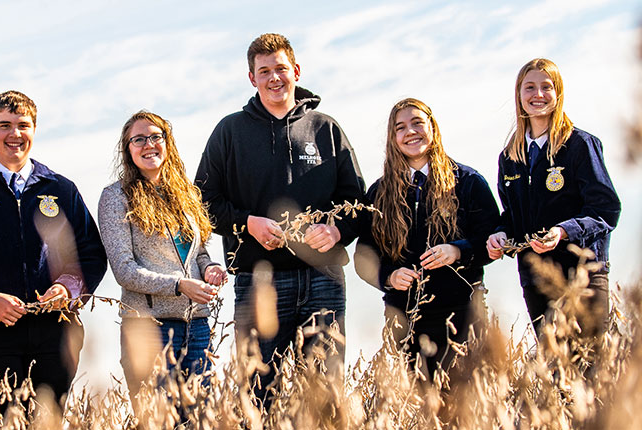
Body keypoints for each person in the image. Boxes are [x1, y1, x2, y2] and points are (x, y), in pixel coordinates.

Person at [195, 33, 366, 398]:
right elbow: (203, 201)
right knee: (258, 394)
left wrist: (336, 232)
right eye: (264, 71)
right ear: (252, 78)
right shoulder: (230, 132)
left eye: (281, 69)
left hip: (323, 278)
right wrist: (247, 224)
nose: (274, 77)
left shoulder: (326, 129)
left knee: (325, 396)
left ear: (297, 71)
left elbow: (356, 201)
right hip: (260, 281)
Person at [0, 90, 107, 402]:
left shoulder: (61, 189)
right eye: (4, 125)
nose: (15, 134)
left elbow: (90, 253)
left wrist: (67, 288)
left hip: (56, 335)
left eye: (23, 125)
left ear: (34, 130)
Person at [358, 98, 499, 378]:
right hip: (405, 321)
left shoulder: (468, 182)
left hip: (463, 316)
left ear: (432, 127)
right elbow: (363, 257)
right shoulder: (378, 193)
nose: (410, 131)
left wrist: (458, 251)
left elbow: (493, 240)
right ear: (392, 138)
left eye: (417, 123)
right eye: (400, 127)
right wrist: (388, 276)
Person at [98, 111, 228, 411]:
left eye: (156, 137)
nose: (149, 145)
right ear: (127, 150)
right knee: (158, 419)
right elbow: (124, 271)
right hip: (148, 329)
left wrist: (210, 268)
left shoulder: (186, 194)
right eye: (139, 139)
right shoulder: (116, 197)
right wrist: (179, 285)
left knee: (200, 418)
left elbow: (198, 252)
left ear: (167, 143)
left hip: (197, 327)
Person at [486, 58, 620, 338]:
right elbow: (512, 216)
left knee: (589, 369)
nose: (538, 95)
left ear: (558, 93)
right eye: (529, 87)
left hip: (582, 275)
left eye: (546, 87)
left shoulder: (580, 145)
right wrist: (499, 234)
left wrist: (563, 232)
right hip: (537, 281)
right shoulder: (510, 157)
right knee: (556, 373)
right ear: (519, 94)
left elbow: (605, 210)